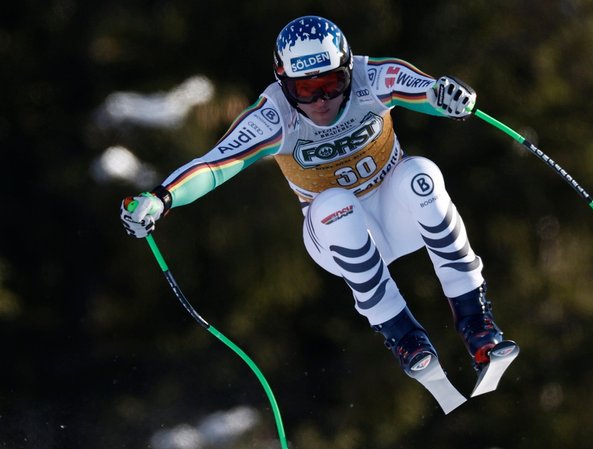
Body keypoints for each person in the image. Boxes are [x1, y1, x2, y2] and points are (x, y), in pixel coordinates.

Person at [121, 15, 518, 411]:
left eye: (331, 84)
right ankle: (404, 337)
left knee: (421, 174)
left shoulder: (370, 77)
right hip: (336, 237)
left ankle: (477, 325)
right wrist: (162, 198)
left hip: (399, 216)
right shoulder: (275, 115)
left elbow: (426, 90)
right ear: (283, 83)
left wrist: (450, 97)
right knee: (334, 204)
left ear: (348, 69)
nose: (321, 100)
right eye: (305, 89)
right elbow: (214, 165)